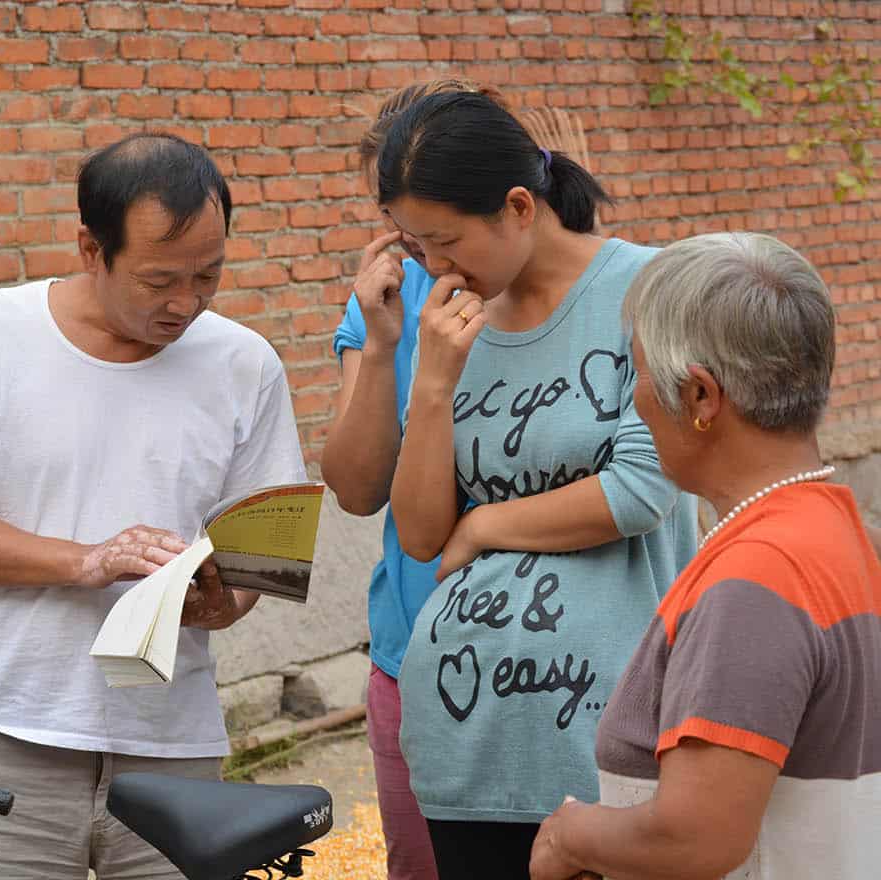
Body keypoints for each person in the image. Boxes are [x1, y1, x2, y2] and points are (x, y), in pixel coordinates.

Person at [0, 133, 307, 880]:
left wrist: (219, 603)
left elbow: (261, 566)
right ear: (89, 247)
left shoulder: (246, 364)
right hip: (10, 733)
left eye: (209, 274)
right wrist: (87, 562)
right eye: (159, 280)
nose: (187, 303)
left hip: (173, 744)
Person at [375, 90, 700, 879]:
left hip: (610, 743)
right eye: (415, 245)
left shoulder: (652, 290)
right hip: (466, 740)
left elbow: (638, 490)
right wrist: (432, 386)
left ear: (520, 206)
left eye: (446, 242)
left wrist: (486, 526)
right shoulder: (451, 324)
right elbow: (420, 535)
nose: (431, 267)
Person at [530, 232, 881, 880]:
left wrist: (569, 836)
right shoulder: (830, 528)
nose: (633, 400)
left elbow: (697, 836)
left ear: (700, 398)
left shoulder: (758, 574)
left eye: (635, 373)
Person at [324, 78, 559, 880]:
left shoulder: (549, 284)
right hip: (419, 652)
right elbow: (357, 491)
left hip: (553, 659)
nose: (421, 252)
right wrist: (387, 343)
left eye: (431, 230)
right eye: (399, 229)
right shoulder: (396, 294)